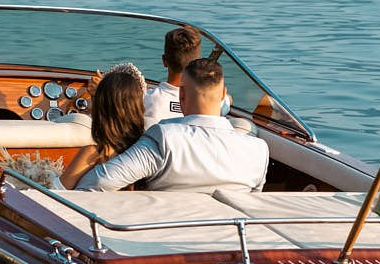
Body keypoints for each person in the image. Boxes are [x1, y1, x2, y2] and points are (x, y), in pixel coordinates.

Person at [75, 55, 268, 193]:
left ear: (181, 94)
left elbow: (98, 183)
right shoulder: (258, 150)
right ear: (224, 94)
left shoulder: (164, 138)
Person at [61, 64, 148, 189]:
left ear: (100, 112)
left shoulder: (94, 154)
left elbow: (54, 191)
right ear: (138, 108)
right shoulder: (145, 154)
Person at [143, 25, 205, 122]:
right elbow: (226, 100)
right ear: (197, 63)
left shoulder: (147, 99)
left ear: (164, 61)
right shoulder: (209, 101)